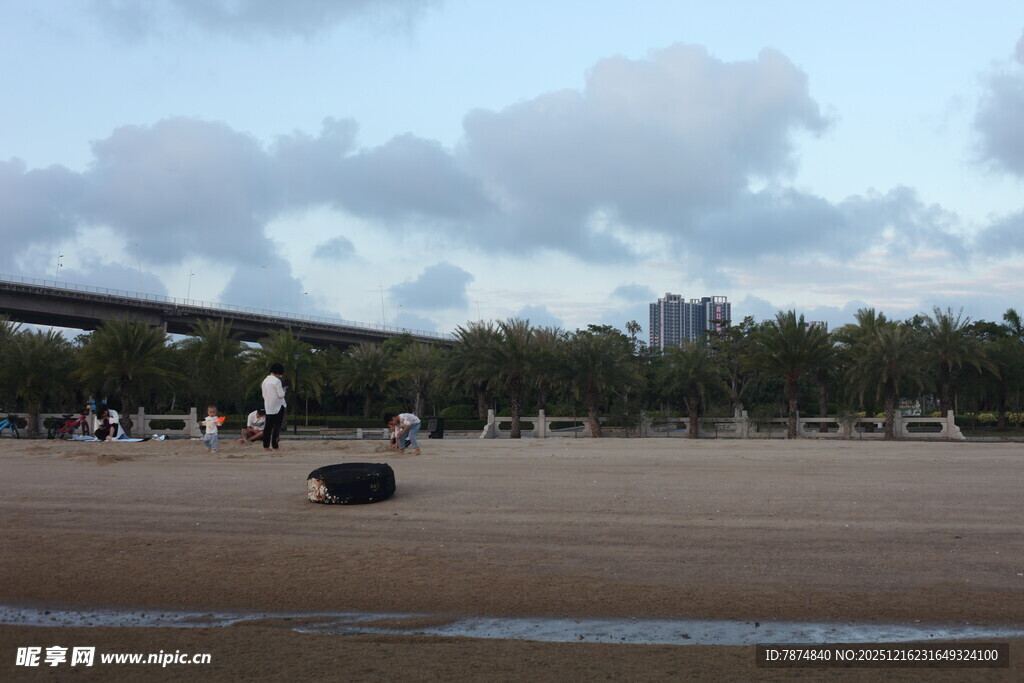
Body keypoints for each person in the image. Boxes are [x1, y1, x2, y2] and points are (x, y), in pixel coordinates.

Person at [261, 363, 287, 451]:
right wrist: (284, 391)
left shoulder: (265, 381)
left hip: (268, 407)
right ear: (278, 372)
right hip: (279, 406)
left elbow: (264, 395)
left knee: (267, 427)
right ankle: (275, 446)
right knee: (276, 427)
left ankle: (266, 446)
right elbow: (280, 394)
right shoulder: (277, 381)